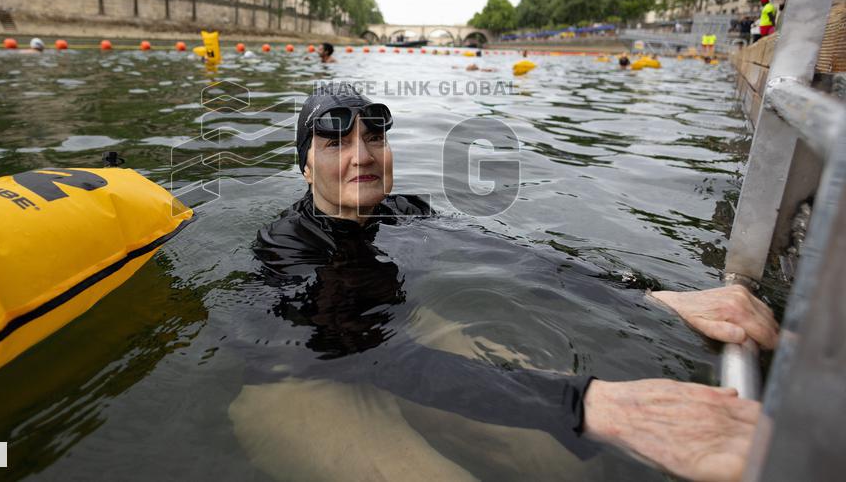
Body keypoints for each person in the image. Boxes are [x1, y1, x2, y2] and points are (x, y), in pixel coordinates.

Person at [252, 87, 779, 482]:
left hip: (394, 336)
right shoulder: (286, 244)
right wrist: (587, 404)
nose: (362, 155)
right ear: (304, 168)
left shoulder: (406, 211)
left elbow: (514, 259)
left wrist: (648, 298)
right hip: (299, 375)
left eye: (373, 136)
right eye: (335, 142)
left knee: (551, 460)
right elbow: (356, 352)